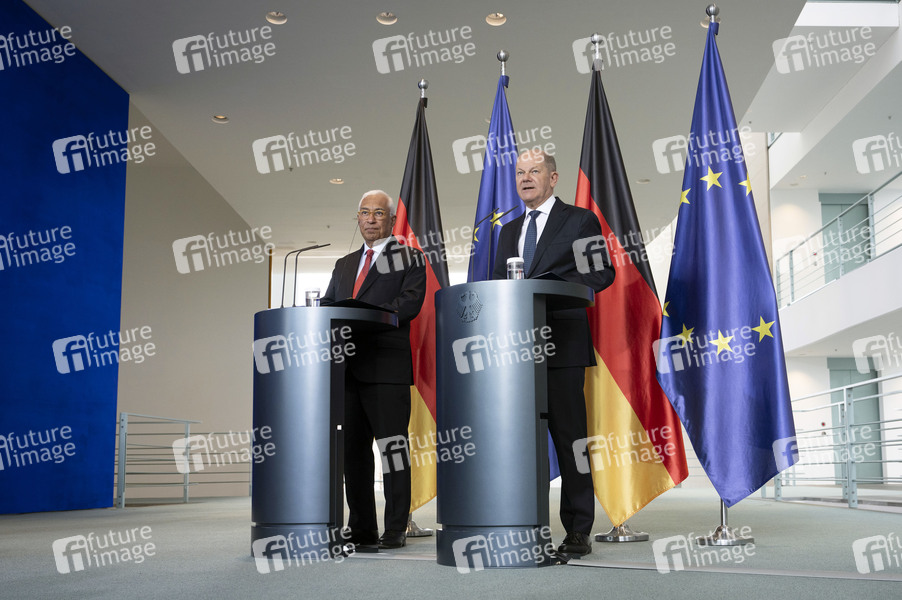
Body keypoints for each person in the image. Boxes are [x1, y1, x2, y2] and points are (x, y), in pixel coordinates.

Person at [491, 150, 615, 556]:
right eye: (519, 173)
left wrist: (548, 282)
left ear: (553, 178)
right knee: (520, 443)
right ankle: (523, 524)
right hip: (515, 354)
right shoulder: (508, 231)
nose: (525, 178)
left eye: (534, 171)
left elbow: (601, 272)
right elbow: (498, 286)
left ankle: (578, 529)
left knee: (570, 441)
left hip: (561, 346)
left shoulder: (579, 220)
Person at [322, 190, 426, 550]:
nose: (370, 219)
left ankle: (396, 526)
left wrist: (363, 316)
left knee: (392, 451)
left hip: (386, 369)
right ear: (357, 218)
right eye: (364, 212)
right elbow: (328, 305)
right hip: (346, 370)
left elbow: (408, 305)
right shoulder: (344, 264)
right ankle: (361, 527)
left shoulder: (410, 258)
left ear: (391, 220)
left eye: (378, 213)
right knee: (353, 454)